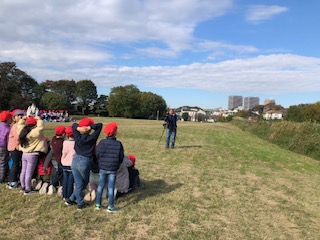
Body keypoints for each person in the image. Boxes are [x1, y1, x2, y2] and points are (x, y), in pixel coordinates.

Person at [65, 118, 102, 210]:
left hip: (75, 160)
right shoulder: (92, 138)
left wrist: (80, 128)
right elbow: (100, 125)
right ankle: (80, 204)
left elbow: (74, 125)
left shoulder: (77, 136)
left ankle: (70, 199)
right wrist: (90, 127)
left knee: (79, 183)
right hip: (85, 161)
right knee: (82, 184)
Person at [95, 122, 124, 212]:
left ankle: (98, 204)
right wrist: (117, 163)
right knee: (111, 187)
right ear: (115, 133)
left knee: (100, 186)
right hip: (113, 168)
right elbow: (121, 157)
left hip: (103, 167)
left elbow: (97, 154)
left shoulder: (102, 143)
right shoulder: (118, 144)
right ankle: (110, 206)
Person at [17, 116, 48, 195]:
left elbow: (19, 125)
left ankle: (23, 186)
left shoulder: (22, 131)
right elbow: (41, 127)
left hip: (24, 154)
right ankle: (28, 189)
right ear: (35, 125)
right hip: (32, 155)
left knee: (23, 171)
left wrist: (23, 119)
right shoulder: (35, 132)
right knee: (29, 172)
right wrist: (39, 119)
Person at [7, 109, 24, 188]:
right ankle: (12, 181)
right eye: (18, 115)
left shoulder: (20, 125)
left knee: (16, 164)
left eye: (22, 115)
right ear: (14, 118)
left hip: (17, 147)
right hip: (15, 148)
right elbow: (17, 138)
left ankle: (14, 179)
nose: (20, 116)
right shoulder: (15, 126)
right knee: (15, 164)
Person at [49, 126, 66, 193]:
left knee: (61, 173)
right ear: (63, 134)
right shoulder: (62, 142)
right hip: (62, 159)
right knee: (60, 172)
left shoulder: (54, 139)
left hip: (57, 159)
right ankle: (53, 184)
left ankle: (60, 185)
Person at [61, 126, 75, 200]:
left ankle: (64, 194)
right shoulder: (75, 143)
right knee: (70, 182)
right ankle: (69, 196)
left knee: (65, 181)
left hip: (64, 163)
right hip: (71, 164)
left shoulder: (65, 142)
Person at [0, 111, 12, 183]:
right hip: (3, 147)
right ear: (7, 119)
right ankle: (1, 178)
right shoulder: (8, 129)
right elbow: (8, 140)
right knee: (3, 162)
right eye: (10, 118)